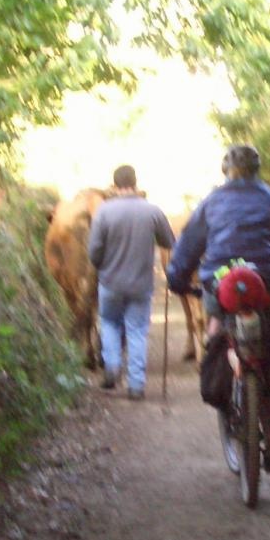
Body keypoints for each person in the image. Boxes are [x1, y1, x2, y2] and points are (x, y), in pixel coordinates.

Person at [166, 145, 270, 471]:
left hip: (222, 284)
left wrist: (177, 281)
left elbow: (187, 248)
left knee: (216, 330)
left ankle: (221, 382)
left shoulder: (211, 203)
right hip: (266, 285)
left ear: (225, 172)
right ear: (257, 171)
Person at [88, 165, 176, 400]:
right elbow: (169, 242)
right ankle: (136, 385)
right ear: (136, 184)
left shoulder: (103, 212)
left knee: (109, 323)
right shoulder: (152, 211)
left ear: (114, 186)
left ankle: (112, 367)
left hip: (110, 283)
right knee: (137, 331)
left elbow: (94, 252)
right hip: (141, 284)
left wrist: (103, 263)